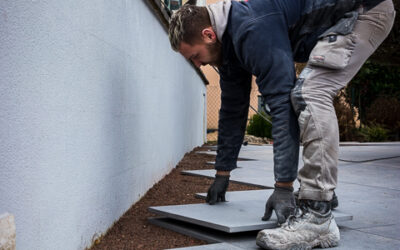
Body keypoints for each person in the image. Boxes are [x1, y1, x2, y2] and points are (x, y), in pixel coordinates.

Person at [168, 0, 395, 249]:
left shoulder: (251, 26)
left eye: (196, 56)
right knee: (306, 93)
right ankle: (321, 193)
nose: (198, 65)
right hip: (342, 17)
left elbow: (281, 103)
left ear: (208, 35)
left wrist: (283, 186)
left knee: (309, 93)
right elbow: (233, 109)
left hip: (364, 11)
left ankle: (317, 214)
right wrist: (223, 171)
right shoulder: (227, 45)